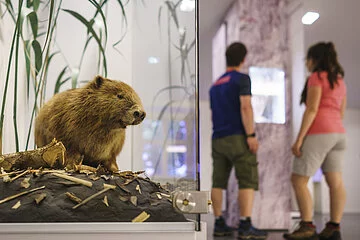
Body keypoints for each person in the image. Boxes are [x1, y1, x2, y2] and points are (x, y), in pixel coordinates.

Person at [284, 42, 347, 240]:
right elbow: (341, 112)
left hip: (320, 131)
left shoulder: (316, 78)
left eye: (307, 60)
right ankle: (334, 227)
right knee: (335, 181)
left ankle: (307, 226)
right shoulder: (340, 81)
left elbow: (312, 109)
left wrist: (299, 139)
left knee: (299, 179)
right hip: (338, 134)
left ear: (314, 59)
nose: (307, 64)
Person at [209, 42, 267, 239]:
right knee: (247, 180)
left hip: (218, 138)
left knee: (218, 181)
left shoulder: (215, 85)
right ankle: (245, 225)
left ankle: (218, 223)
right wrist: (250, 135)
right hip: (238, 137)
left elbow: (214, 114)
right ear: (243, 59)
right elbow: (246, 107)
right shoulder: (242, 79)